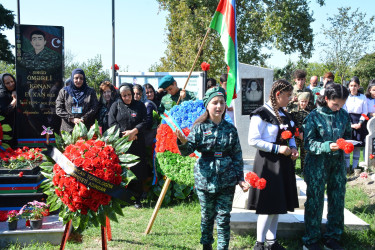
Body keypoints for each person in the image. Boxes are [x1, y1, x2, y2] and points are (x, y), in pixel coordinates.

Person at [174, 86, 249, 250]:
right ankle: (206, 246)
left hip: (226, 179)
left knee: (223, 218)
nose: (219, 106)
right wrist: (183, 141)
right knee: (207, 217)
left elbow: (237, 155)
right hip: (205, 179)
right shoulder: (199, 127)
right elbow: (188, 151)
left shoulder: (230, 129)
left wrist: (240, 179)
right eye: (215, 102)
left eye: (221, 103)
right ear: (207, 105)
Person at [247, 79, 299, 250]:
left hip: (283, 164)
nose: (290, 99)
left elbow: (290, 134)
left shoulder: (285, 113)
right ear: (278, 95)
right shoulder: (260, 114)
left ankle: (272, 241)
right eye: (287, 95)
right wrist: (277, 149)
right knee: (267, 204)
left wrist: (292, 148)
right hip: (267, 163)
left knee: (278, 204)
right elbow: (253, 140)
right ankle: (259, 243)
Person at [302, 83, 350, 250]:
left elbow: (348, 136)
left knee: (337, 199)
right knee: (315, 201)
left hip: (337, 164)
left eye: (342, 105)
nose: (338, 108)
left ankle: (333, 237)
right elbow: (308, 143)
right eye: (335, 104)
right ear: (327, 98)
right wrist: (326, 146)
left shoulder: (344, 115)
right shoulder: (314, 116)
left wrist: (346, 144)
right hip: (317, 164)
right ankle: (311, 239)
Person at [108, 83, 152, 208]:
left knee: (137, 170)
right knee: (122, 170)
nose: (127, 97)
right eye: (124, 95)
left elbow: (145, 121)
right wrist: (125, 135)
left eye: (129, 95)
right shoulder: (115, 106)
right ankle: (123, 198)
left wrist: (134, 132)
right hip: (121, 145)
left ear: (132, 94)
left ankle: (137, 199)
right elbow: (111, 123)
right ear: (120, 96)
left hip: (137, 143)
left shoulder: (140, 105)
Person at [56, 68, 98, 133]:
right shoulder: (64, 91)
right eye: (76, 78)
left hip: (85, 129)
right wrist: (71, 118)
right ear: (72, 79)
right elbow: (58, 109)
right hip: (68, 130)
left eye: (81, 78)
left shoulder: (90, 92)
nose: (79, 80)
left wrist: (84, 118)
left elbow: (94, 107)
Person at [343, 76, 368, 173]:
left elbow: (364, 112)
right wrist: (350, 124)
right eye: (351, 85)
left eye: (355, 86)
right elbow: (344, 111)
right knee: (348, 144)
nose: (353, 88)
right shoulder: (346, 97)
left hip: (359, 122)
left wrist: (360, 123)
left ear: (358, 86)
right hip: (348, 121)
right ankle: (347, 167)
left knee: (357, 145)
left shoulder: (363, 97)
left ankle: (354, 167)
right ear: (348, 86)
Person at [288, 92, 311, 172]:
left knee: (304, 154)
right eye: (302, 101)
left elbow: (310, 125)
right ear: (298, 101)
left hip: (305, 136)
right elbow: (292, 123)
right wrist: (297, 132)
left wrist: (304, 133)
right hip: (295, 136)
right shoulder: (294, 112)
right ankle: (291, 169)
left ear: (308, 102)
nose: (303, 103)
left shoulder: (310, 113)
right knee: (294, 152)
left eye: (305, 101)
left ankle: (304, 169)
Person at [0, 73, 17, 146]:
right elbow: (5, 111)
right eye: (7, 83)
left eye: (12, 81)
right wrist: (15, 99)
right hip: (7, 128)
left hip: (17, 126)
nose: (11, 84)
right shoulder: (2, 94)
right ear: (3, 84)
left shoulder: (16, 90)